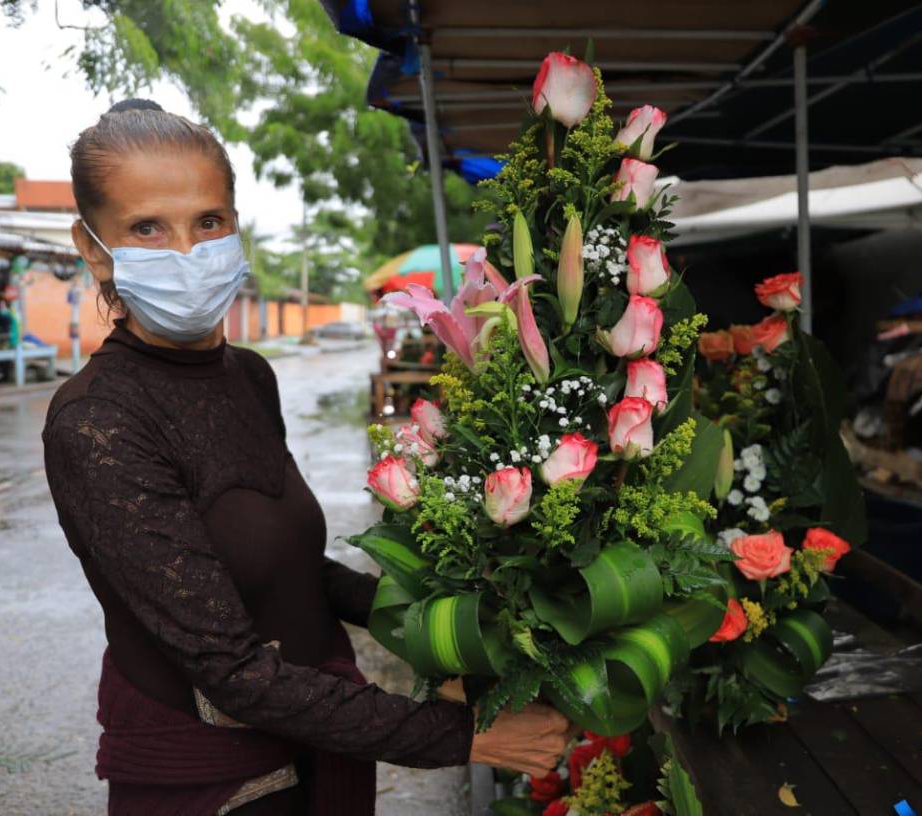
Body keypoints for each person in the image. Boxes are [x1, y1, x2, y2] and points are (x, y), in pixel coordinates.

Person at [42, 99, 570, 816]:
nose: (187, 253)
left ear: (235, 223)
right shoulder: (97, 420)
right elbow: (231, 670)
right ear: (93, 244)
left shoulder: (249, 375)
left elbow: (289, 565)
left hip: (311, 749)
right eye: (147, 228)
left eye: (208, 222)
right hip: (214, 780)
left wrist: (454, 623)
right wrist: (466, 736)